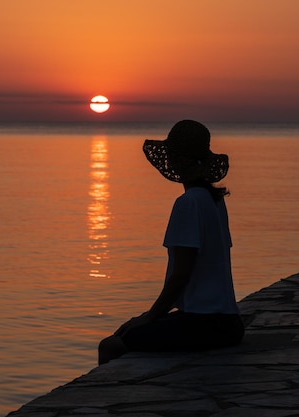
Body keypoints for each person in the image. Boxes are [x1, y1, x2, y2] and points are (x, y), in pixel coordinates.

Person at [98, 119, 244, 365]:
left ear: (175, 160)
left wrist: (149, 317)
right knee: (132, 330)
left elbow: (181, 275)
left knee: (112, 345)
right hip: (228, 322)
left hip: (203, 324)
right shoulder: (214, 200)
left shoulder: (188, 203)